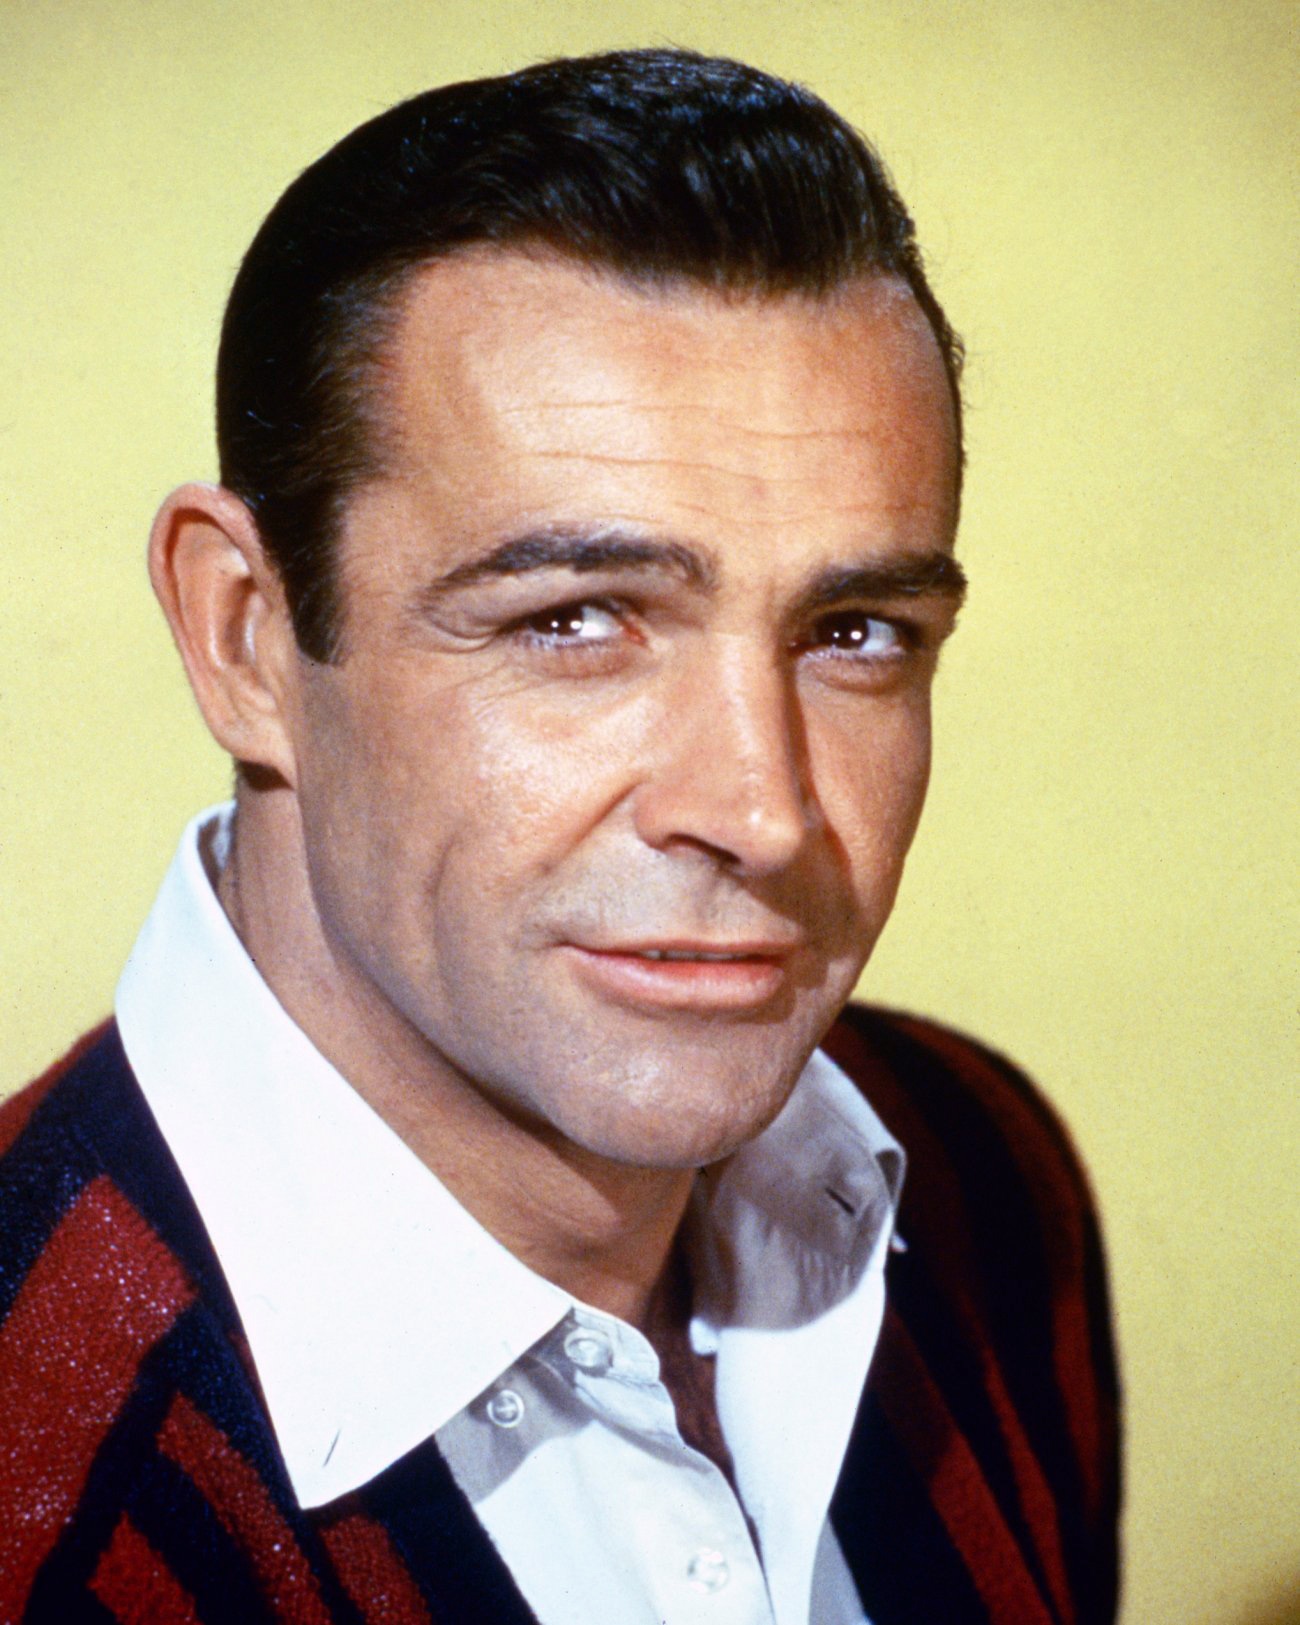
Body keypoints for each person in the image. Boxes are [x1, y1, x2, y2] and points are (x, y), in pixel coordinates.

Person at [0, 48, 1119, 1625]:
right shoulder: (40, 1478)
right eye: (577, 618)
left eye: (853, 631)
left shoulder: (984, 1181)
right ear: (245, 634)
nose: (762, 809)